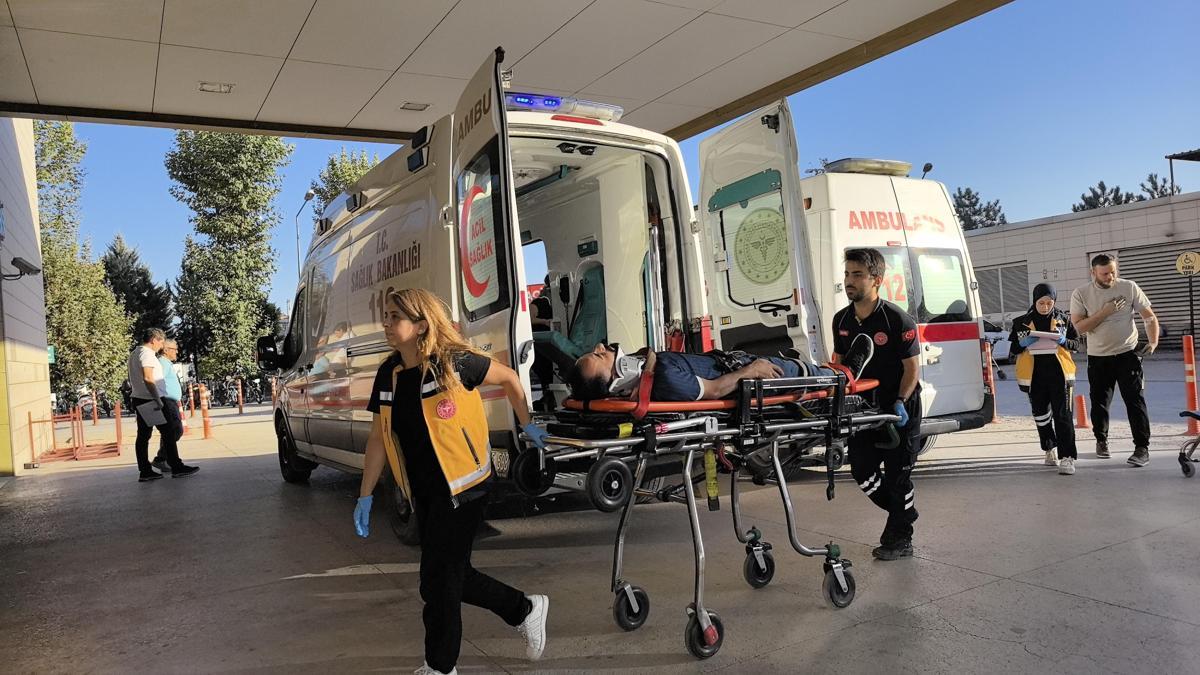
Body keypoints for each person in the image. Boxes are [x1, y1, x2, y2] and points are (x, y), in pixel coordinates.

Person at [354, 288, 551, 675]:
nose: (386, 324)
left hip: (465, 487)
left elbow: (509, 378)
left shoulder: (454, 362)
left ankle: (441, 667)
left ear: (421, 324)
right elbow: (378, 437)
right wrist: (365, 495)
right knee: (447, 577)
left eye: (395, 317)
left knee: (440, 582)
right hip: (424, 491)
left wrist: (527, 424)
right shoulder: (389, 374)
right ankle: (524, 608)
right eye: (386, 316)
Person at [833, 248, 921, 561]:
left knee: (898, 477)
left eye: (857, 274)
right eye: (847, 274)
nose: (849, 280)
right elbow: (839, 365)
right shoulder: (841, 320)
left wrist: (900, 401)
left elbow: (912, 368)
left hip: (898, 408)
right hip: (863, 410)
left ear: (877, 280)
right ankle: (904, 512)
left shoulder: (897, 319)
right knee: (862, 471)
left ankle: (900, 538)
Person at [1070, 254, 1158, 466]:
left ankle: (1142, 448)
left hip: (1128, 354)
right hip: (1098, 357)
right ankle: (1101, 441)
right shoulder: (1081, 293)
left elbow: (1149, 316)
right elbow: (1079, 328)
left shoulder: (1129, 287)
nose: (1110, 277)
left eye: (1113, 272)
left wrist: (1153, 341)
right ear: (1093, 272)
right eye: (1104, 274)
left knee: (1135, 400)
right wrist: (1105, 312)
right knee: (1100, 403)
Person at [567, 343, 842, 402]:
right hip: (753, 374)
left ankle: (838, 371)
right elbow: (714, 390)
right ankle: (845, 375)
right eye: (599, 355)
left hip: (743, 364)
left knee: (808, 369)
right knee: (808, 373)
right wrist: (751, 370)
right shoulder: (664, 379)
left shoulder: (650, 371)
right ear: (619, 376)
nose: (601, 347)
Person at [1009, 284, 1080, 475]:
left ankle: (1067, 457)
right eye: (1041, 303)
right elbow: (1013, 349)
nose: (1045, 307)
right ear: (1034, 301)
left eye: (1050, 303)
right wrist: (1023, 343)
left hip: (1060, 376)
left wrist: (1064, 341)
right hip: (1035, 377)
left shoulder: (1063, 320)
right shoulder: (1021, 322)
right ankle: (1049, 449)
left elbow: (1076, 344)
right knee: (1041, 416)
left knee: (1063, 416)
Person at [126, 329, 199, 482]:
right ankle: (176, 467)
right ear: (153, 340)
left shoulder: (135, 353)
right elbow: (148, 378)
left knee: (144, 436)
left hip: (140, 398)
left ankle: (145, 470)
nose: (161, 346)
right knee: (169, 433)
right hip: (152, 399)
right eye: (161, 342)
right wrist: (157, 399)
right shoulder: (147, 354)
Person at [150, 339, 189, 473]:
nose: (177, 352)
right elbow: (156, 381)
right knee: (175, 431)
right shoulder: (163, 363)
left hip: (171, 401)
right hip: (167, 401)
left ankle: (163, 459)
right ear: (166, 350)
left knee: (171, 432)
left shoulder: (166, 363)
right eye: (174, 349)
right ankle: (162, 459)